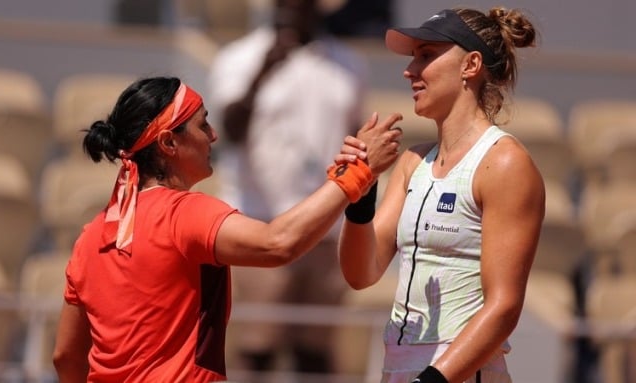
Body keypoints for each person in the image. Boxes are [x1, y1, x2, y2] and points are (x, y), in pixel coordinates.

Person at [51, 75, 403, 383]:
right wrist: (357, 173)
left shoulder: (91, 235)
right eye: (203, 125)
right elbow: (277, 244)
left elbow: (65, 357)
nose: (214, 135)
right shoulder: (184, 213)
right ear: (169, 143)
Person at [337, 7, 545, 383]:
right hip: (400, 370)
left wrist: (433, 380)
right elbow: (360, 273)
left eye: (426, 55)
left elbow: (504, 305)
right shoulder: (412, 161)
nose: (409, 70)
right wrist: (360, 194)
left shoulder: (504, 163)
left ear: (471, 65)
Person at [207, 0, 367, 376]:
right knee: (258, 345)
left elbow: (356, 137)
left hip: (326, 227)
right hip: (257, 220)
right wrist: (265, 71)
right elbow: (227, 131)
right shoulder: (239, 58)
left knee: (316, 347)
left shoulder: (348, 65)